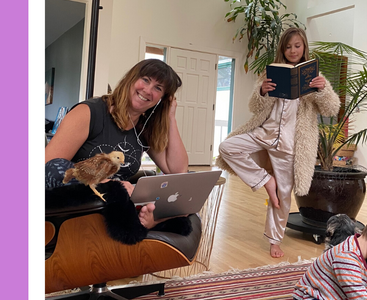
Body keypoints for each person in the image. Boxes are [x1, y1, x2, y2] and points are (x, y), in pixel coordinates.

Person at [216, 27, 340, 258]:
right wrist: (262, 92)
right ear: (282, 49)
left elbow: (332, 109)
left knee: (283, 196)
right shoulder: (269, 73)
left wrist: (322, 91)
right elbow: (255, 107)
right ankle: (265, 180)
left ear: (304, 48)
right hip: (264, 133)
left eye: (297, 45)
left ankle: (275, 240)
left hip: (290, 144)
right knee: (228, 147)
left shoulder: (314, 78)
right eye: (288, 46)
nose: (292, 50)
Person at [45, 58, 188, 230]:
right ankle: (149, 220)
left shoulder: (144, 127)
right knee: (57, 167)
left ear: (162, 99)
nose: (148, 90)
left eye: (158, 88)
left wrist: (170, 116)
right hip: (80, 205)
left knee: (185, 197)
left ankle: (149, 218)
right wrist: (113, 186)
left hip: (115, 207)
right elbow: (49, 167)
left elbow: (178, 172)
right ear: (132, 78)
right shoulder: (90, 112)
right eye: (145, 80)